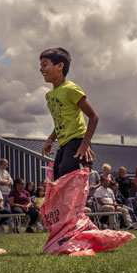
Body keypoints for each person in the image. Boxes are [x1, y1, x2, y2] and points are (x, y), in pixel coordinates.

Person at [39, 47, 99, 180]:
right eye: (40, 66)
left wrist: (84, 144)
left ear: (60, 66)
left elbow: (94, 117)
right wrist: (50, 139)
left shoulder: (71, 89)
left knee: (66, 181)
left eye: (45, 65)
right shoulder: (49, 95)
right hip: (63, 144)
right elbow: (61, 121)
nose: (41, 69)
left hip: (77, 142)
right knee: (55, 179)